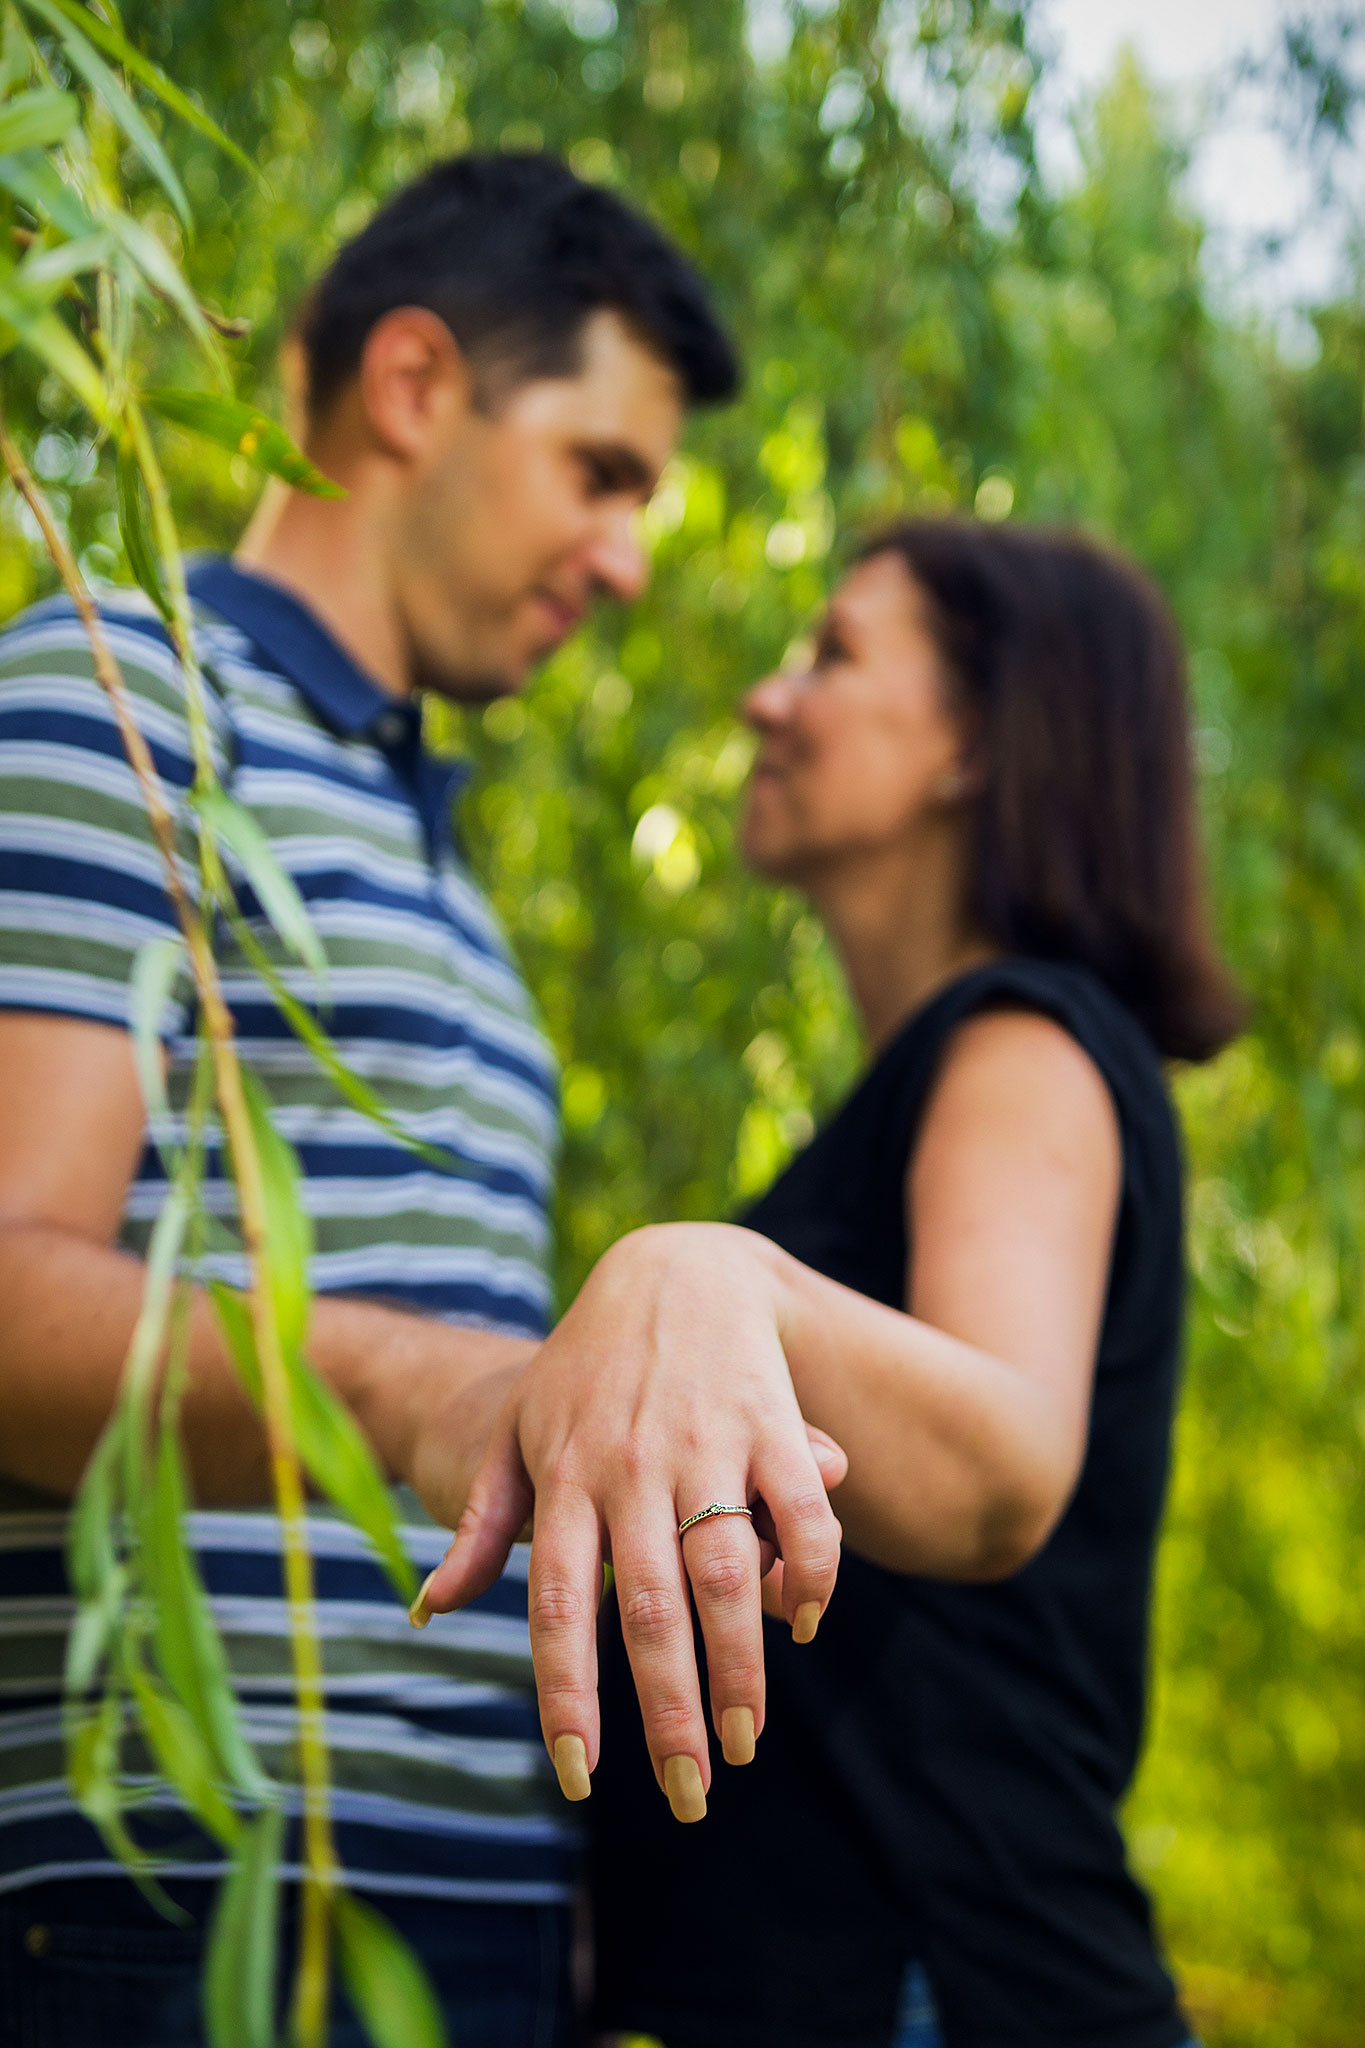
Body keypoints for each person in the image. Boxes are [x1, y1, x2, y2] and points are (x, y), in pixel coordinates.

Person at [0, 149, 834, 2047]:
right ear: (413, 387)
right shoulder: (123, 689)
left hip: (486, 1921)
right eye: (601, 471)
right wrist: (452, 1388)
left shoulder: (446, 874)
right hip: (196, 1899)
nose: (627, 557)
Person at [435, 519, 1240, 2046]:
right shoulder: (934, 1083)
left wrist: (710, 1274)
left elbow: (1000, 1468)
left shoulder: (1025, 1046)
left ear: (975, 748)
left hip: (951, 1988)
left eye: (833, 655)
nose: (763, 699)